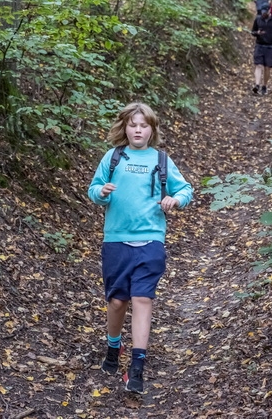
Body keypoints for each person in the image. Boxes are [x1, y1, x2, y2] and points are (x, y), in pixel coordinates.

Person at [88, 103, 193, 395]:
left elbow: (185, 189)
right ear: (124, 128)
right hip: (116, 240)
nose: (138, 130)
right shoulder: (113, 157)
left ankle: (137, 366)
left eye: (143, 125)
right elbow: (94, 189)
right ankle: (113, 346)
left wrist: (176, 200)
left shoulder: (161, 158)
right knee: (118, 302)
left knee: (142, 299)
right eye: (133, 125)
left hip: (151, 239)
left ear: (152, 130)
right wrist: (101, 192)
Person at [250, 2, 272, 95]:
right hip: (259, 45)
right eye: (262, 12)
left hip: (270, 46)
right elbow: (252, 32)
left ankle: (264, 86)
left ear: (269, 10)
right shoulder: (258, 19)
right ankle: (257, 85)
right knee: (258, 65)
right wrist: (257, 33)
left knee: (267, 67)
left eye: (265, 11)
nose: (263, 13)